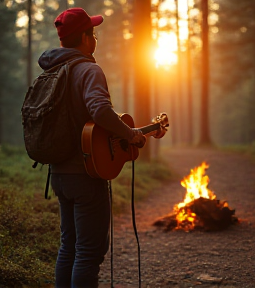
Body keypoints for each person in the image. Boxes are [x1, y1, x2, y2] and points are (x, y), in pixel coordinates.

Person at [38, 7, 146, 288]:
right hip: (86, 176)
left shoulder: (52, 71)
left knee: (69, 247)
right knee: (88, 252)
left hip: (58, 173)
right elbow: (99, 110)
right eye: (93, 33)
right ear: (85, 38)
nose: (95, 38)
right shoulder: (88, 69)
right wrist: (129, 134)